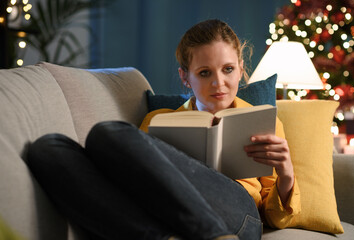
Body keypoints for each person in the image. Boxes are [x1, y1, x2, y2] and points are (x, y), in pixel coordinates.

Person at [27, 19, 300, 240]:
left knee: (107, 132)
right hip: (167, 215)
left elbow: (274, 216)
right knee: (47, 148)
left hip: (238, 217)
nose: (219, 83)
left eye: (228, 69)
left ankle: (214, 234)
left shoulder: (265, 122)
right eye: (205, 72)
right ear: (185, 77)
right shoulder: (158, 120)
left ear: (241, 70)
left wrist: (286, 171)